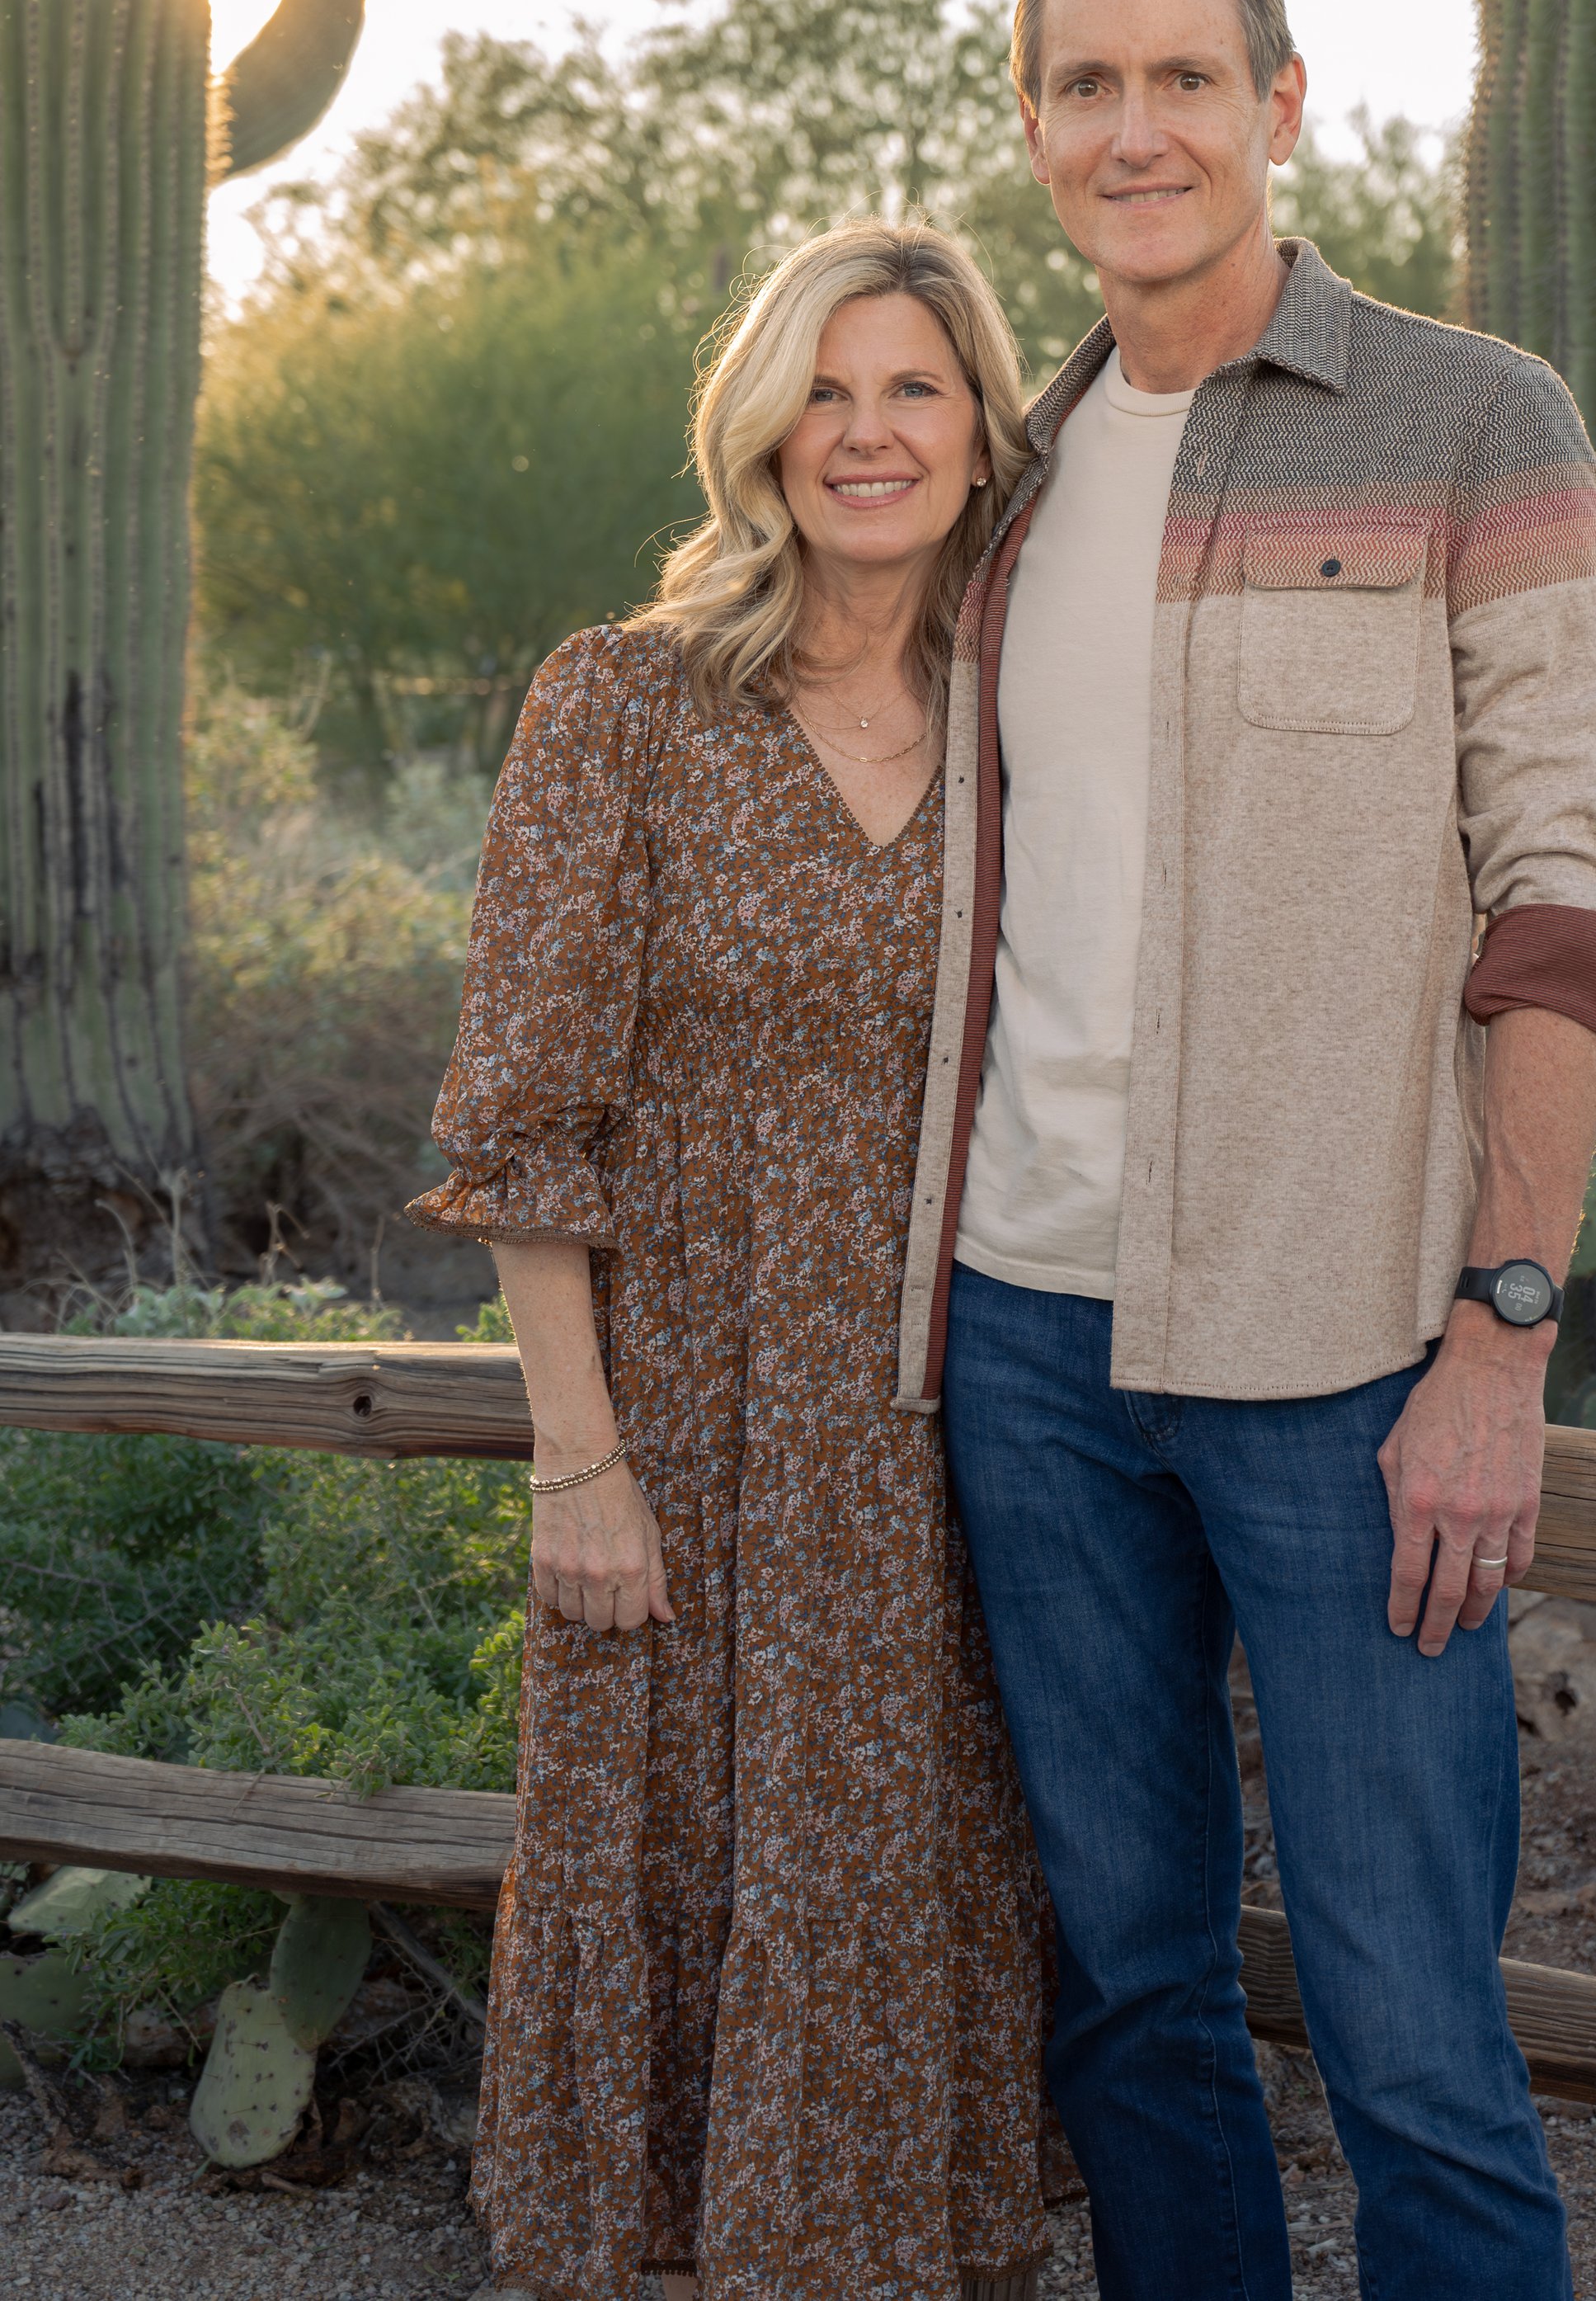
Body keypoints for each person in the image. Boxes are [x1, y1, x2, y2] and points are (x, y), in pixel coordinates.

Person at [892, 0, 1596, 2300]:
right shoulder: (992, 487)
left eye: (1185, 77)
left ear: (1280, 104)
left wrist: (1497, 1340)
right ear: (1032, 129)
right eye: (1086, 85)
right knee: (1125, 1995)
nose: (1138, 128)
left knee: (1413, 2031)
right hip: (1026, 1342)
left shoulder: (1465, 419)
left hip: (1346, 1358)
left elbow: (1561, 901)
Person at [411, 223, 1052, 2301]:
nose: (866, 434)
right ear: (761, 428)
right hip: (678, 1404)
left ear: (979, 432)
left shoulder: (1034, 718)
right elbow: (524, 1109)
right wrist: (576, 1458)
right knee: (669, 1858)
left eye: (915, 391)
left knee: (915, 1867)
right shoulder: (623, 701)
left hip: (963, 1416)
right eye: (827, 391)